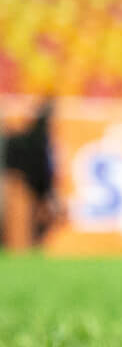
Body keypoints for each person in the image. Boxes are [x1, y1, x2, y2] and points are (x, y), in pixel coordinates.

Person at [2, 98, 57, 252]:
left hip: (29, 183)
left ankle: (33, 243)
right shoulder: (40, 138)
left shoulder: (34, 136)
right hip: (28, 184)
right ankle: (31, 243)